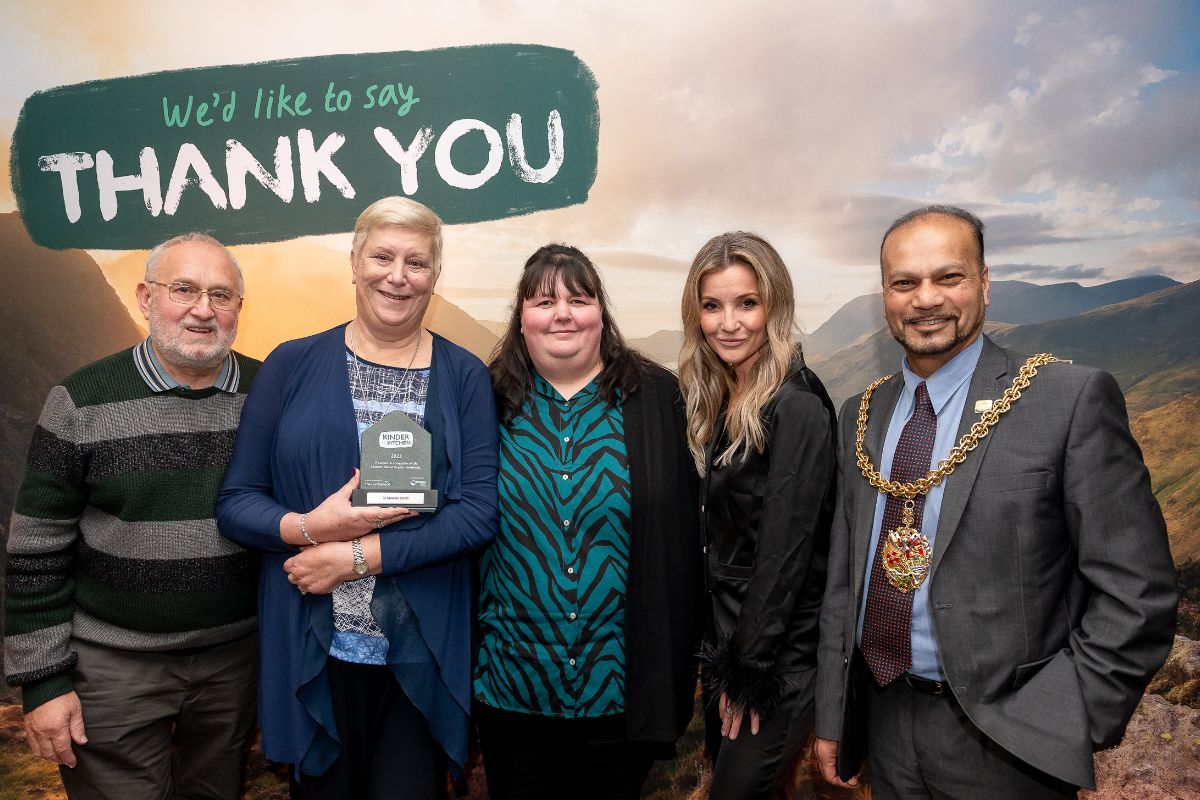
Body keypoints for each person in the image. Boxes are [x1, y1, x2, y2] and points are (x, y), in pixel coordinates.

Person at [813, 205, 1178, 797]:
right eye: (905, 282)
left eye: (948, 277)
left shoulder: (1065, 399)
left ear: (985, 284)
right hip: (884, 722)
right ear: (884, 296)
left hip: (1009, 743)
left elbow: (1139, 588)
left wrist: (1066, 716)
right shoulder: (861, 415)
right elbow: (841, 582)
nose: (925, 299)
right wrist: (833, 714)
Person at [216, 196, 498, 799]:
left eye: (416, 263)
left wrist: (354, 558)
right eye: (382, 257)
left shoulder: (465, 375)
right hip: (315, 648)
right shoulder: (290, 365)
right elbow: (237, 502)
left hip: (420, 649)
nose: (397, 276)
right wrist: (310, 527)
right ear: (353, 262)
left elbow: (477, 515)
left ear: (434, 277)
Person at [3, 233, 258, 799]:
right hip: (113, 668)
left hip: (235, 664)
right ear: (145, 297)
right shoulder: (82, 400)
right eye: (183, 289)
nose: (202, 309)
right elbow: (36, 551)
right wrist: (43, 683)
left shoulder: (269, 394)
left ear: (239, 307)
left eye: (221, 294)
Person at [473, 244, 704, 799]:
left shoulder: (653, 396)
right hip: (511, 683)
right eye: (544, 301)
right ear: (521, 318)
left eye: (580, 299)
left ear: (601, 312)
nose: (563, 313)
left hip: (619, 687)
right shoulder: (484, 399)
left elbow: (681, 536)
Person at [676, 231, 837, 799]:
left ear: (775, 305)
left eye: (747, 303)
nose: (729, 323)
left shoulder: (797, 406)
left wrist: (748, 672)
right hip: (734, 650)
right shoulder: (727, 393)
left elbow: (786, 553)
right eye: (713, 306)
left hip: (775, 667)